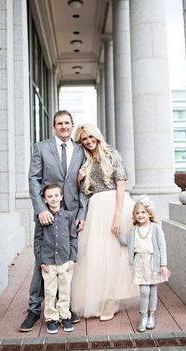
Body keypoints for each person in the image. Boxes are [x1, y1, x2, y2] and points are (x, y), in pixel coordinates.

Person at [20, 110, 88, 332]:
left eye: (67, 123)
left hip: (71, 216)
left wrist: (81, 214)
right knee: (45, 262)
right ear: (54, 126)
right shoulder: (42, 147)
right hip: (48, 214)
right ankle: (33, 310)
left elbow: (84, 186)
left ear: (72, 124)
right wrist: (40, 209)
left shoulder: (80, 150)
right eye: (60, 123)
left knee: (67, 263)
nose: (64, 126)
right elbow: (33, 179)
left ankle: (64, 309)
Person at [71, 123, 139, 321]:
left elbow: (121, 185)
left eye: (91, 137)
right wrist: (78, 177)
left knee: (115, 254)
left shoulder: (112, 154)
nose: (89, 141)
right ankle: (99, 298)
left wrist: (117, 215)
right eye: (85, 139)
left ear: (98, 137)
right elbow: (79, 189)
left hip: (116, 205)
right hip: (95, 207)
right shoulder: (83, 160)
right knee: (96, 254)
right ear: (81, 141)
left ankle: (112, 300)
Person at [117, 195, 171, 332]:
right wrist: (118, 234)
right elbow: (126, 242)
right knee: (144, 290)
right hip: (140, 263)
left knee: (153, 289)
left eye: (143, 212)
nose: (140, 215)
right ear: (134, 216)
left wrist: (163, 264)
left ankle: (152, 315)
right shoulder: (134, 230)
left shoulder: (156, 228)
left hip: (154, 262)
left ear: (149, 213)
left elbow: (162, 246)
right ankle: (143, 316)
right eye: (137, 213)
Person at [34, 184, 77, 334]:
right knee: (50, 291)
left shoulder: (68, 216)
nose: (53, 198)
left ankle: (65, 316)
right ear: (45, 200)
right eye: (49, 196)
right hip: (48, 262)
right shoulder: (42, 218)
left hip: (65, 261)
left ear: (61, 197)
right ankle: (51, 318)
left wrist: (73, 259)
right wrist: (41, 261)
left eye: (55, 195)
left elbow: (73, 237)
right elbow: (37, 241)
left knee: (65, 290)